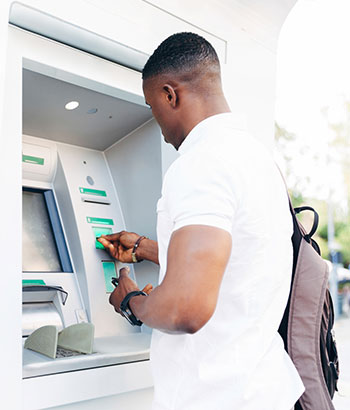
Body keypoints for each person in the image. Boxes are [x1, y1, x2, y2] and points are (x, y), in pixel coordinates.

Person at [98, 32, 304, 410]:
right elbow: (239, 259)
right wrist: (145, 248)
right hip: (263, 389)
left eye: (151, 105)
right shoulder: (256, 159)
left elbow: (185, 309)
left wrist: (130, 300)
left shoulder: (200, 164)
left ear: (169, 94)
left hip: (216, 397)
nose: (157, 125)